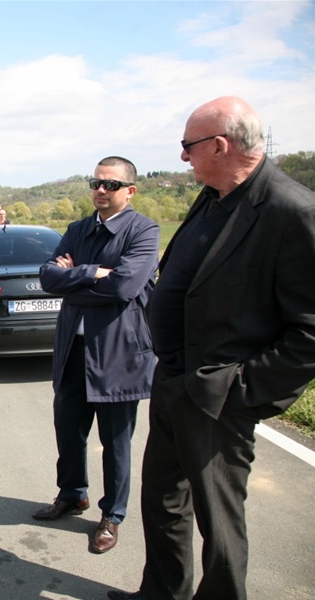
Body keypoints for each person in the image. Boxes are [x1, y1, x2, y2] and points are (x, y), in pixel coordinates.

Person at [108, 97, 315, 600]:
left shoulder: (292, 211)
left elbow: (309, 334)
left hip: (218, 395)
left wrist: (238, 390)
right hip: (173, 381)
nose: (182, 157)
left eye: (188, 145)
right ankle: (161, 594)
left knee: (218, 523)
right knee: (162, 500)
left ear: (220, 145)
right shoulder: (213, 195)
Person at [36, 157, 159, 554]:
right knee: (69, 431)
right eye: (96, 183)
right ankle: (72, 494)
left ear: (130, 191)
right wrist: (93, 273)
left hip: (119, 354)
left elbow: (124, 288)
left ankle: (113, 515)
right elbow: (48, 277)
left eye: (111, 184)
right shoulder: (78, 229)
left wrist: (73, 279)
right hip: (74, 351)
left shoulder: (144, 231)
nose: (101, 190)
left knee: (115, 442)